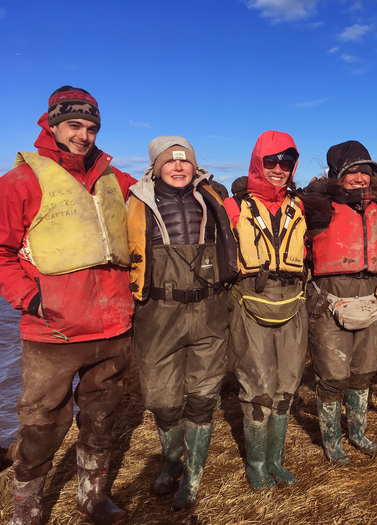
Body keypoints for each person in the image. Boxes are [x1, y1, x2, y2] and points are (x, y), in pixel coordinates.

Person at [0, 86, 135, 525]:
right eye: (75, 125)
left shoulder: (116, 180)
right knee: (41, 426)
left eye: (92, 127)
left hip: (113, 328)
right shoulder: (20, 181)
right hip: (53, 332)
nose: (84, 135)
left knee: (102, 419)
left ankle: (92, 498)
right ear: (52, 124)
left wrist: (200, 180)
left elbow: (161, 193)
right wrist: (31, 298)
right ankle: (27, 511)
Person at [127, 137, 237, 508]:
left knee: (204, 396)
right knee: (162, 399)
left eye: (185, 162)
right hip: (158, 313)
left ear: (194, 165)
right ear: (156, 167)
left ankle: (192, 478)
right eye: (170, 162)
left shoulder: (213, 197)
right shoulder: (135, 202)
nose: (178, 168)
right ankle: (171, 463)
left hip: (210, 308)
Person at [224, 130, 308, 490]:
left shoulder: (300, 206)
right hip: (249, 303)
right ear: (258, 163)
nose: (278, 169)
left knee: (287, 386)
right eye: (271, 161)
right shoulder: (233, 207)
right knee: (257, 387)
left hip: (292, 302)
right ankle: (256, 464)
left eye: (286, 163)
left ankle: (276, 459)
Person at [303, 141, 377, 464]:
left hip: (370, 298)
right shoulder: (318, 206)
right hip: (329, 301)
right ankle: (332, 440)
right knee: (332, 376)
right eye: (351, 172)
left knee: (363, 372)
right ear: (337, 176)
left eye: (364, 171)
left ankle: (357, 432)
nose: (359, 178)